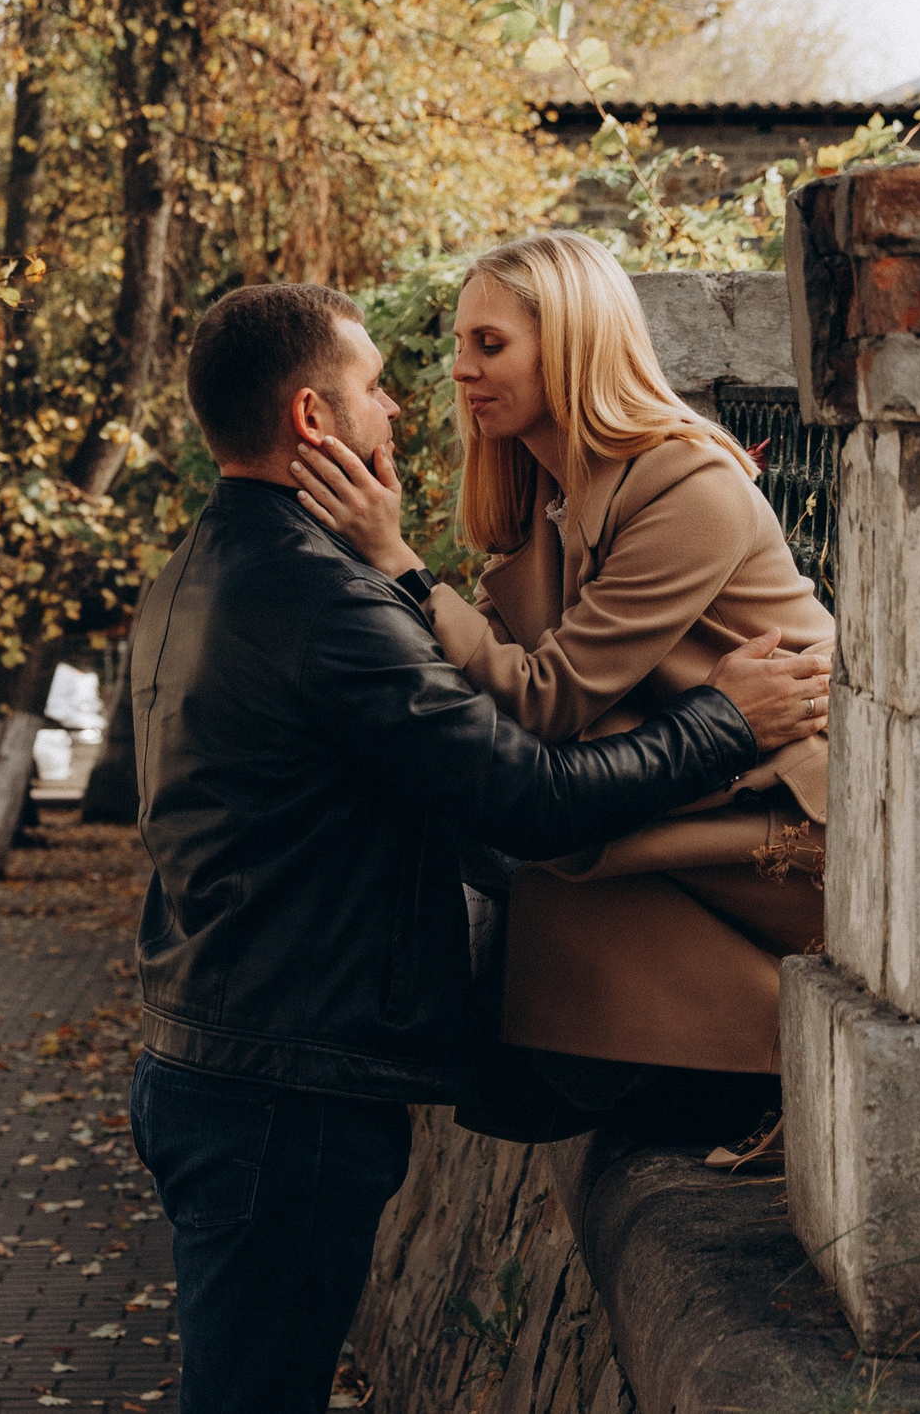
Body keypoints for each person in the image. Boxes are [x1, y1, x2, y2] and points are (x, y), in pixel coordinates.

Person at [128, 282, 827, 1414]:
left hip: (215, 1061)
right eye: (373, 388)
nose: (404, 406)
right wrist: (726, 724)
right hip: (282, 1095)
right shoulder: (320, 601)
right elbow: (530, 800)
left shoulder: (196, 571)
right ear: (313, 420)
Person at [292, 230, 833, 1161]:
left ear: (574, 341)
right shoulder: (552, 492)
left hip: (784, 831)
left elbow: (545, 700)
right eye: (462, 345)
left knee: (533, 841)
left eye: (489, 345)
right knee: (490, 826)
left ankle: (757, 1067)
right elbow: (504, 689)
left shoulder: (685, 483)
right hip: (695, 789)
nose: (461, 369)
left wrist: (401, 566)